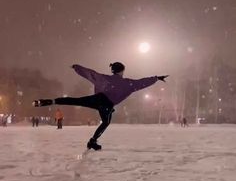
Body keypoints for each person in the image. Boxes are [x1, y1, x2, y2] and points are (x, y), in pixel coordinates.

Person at [33, 62, 168, 150]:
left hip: (98, 100)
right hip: (107, 105)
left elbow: (90, 73)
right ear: (121, 71)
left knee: (76, 101)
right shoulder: (127, 83)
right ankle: (92, 141)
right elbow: (141, 83)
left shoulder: (103, 78)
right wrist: (156, 78)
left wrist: (77, 68)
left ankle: (50, 101)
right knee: (105, 122)